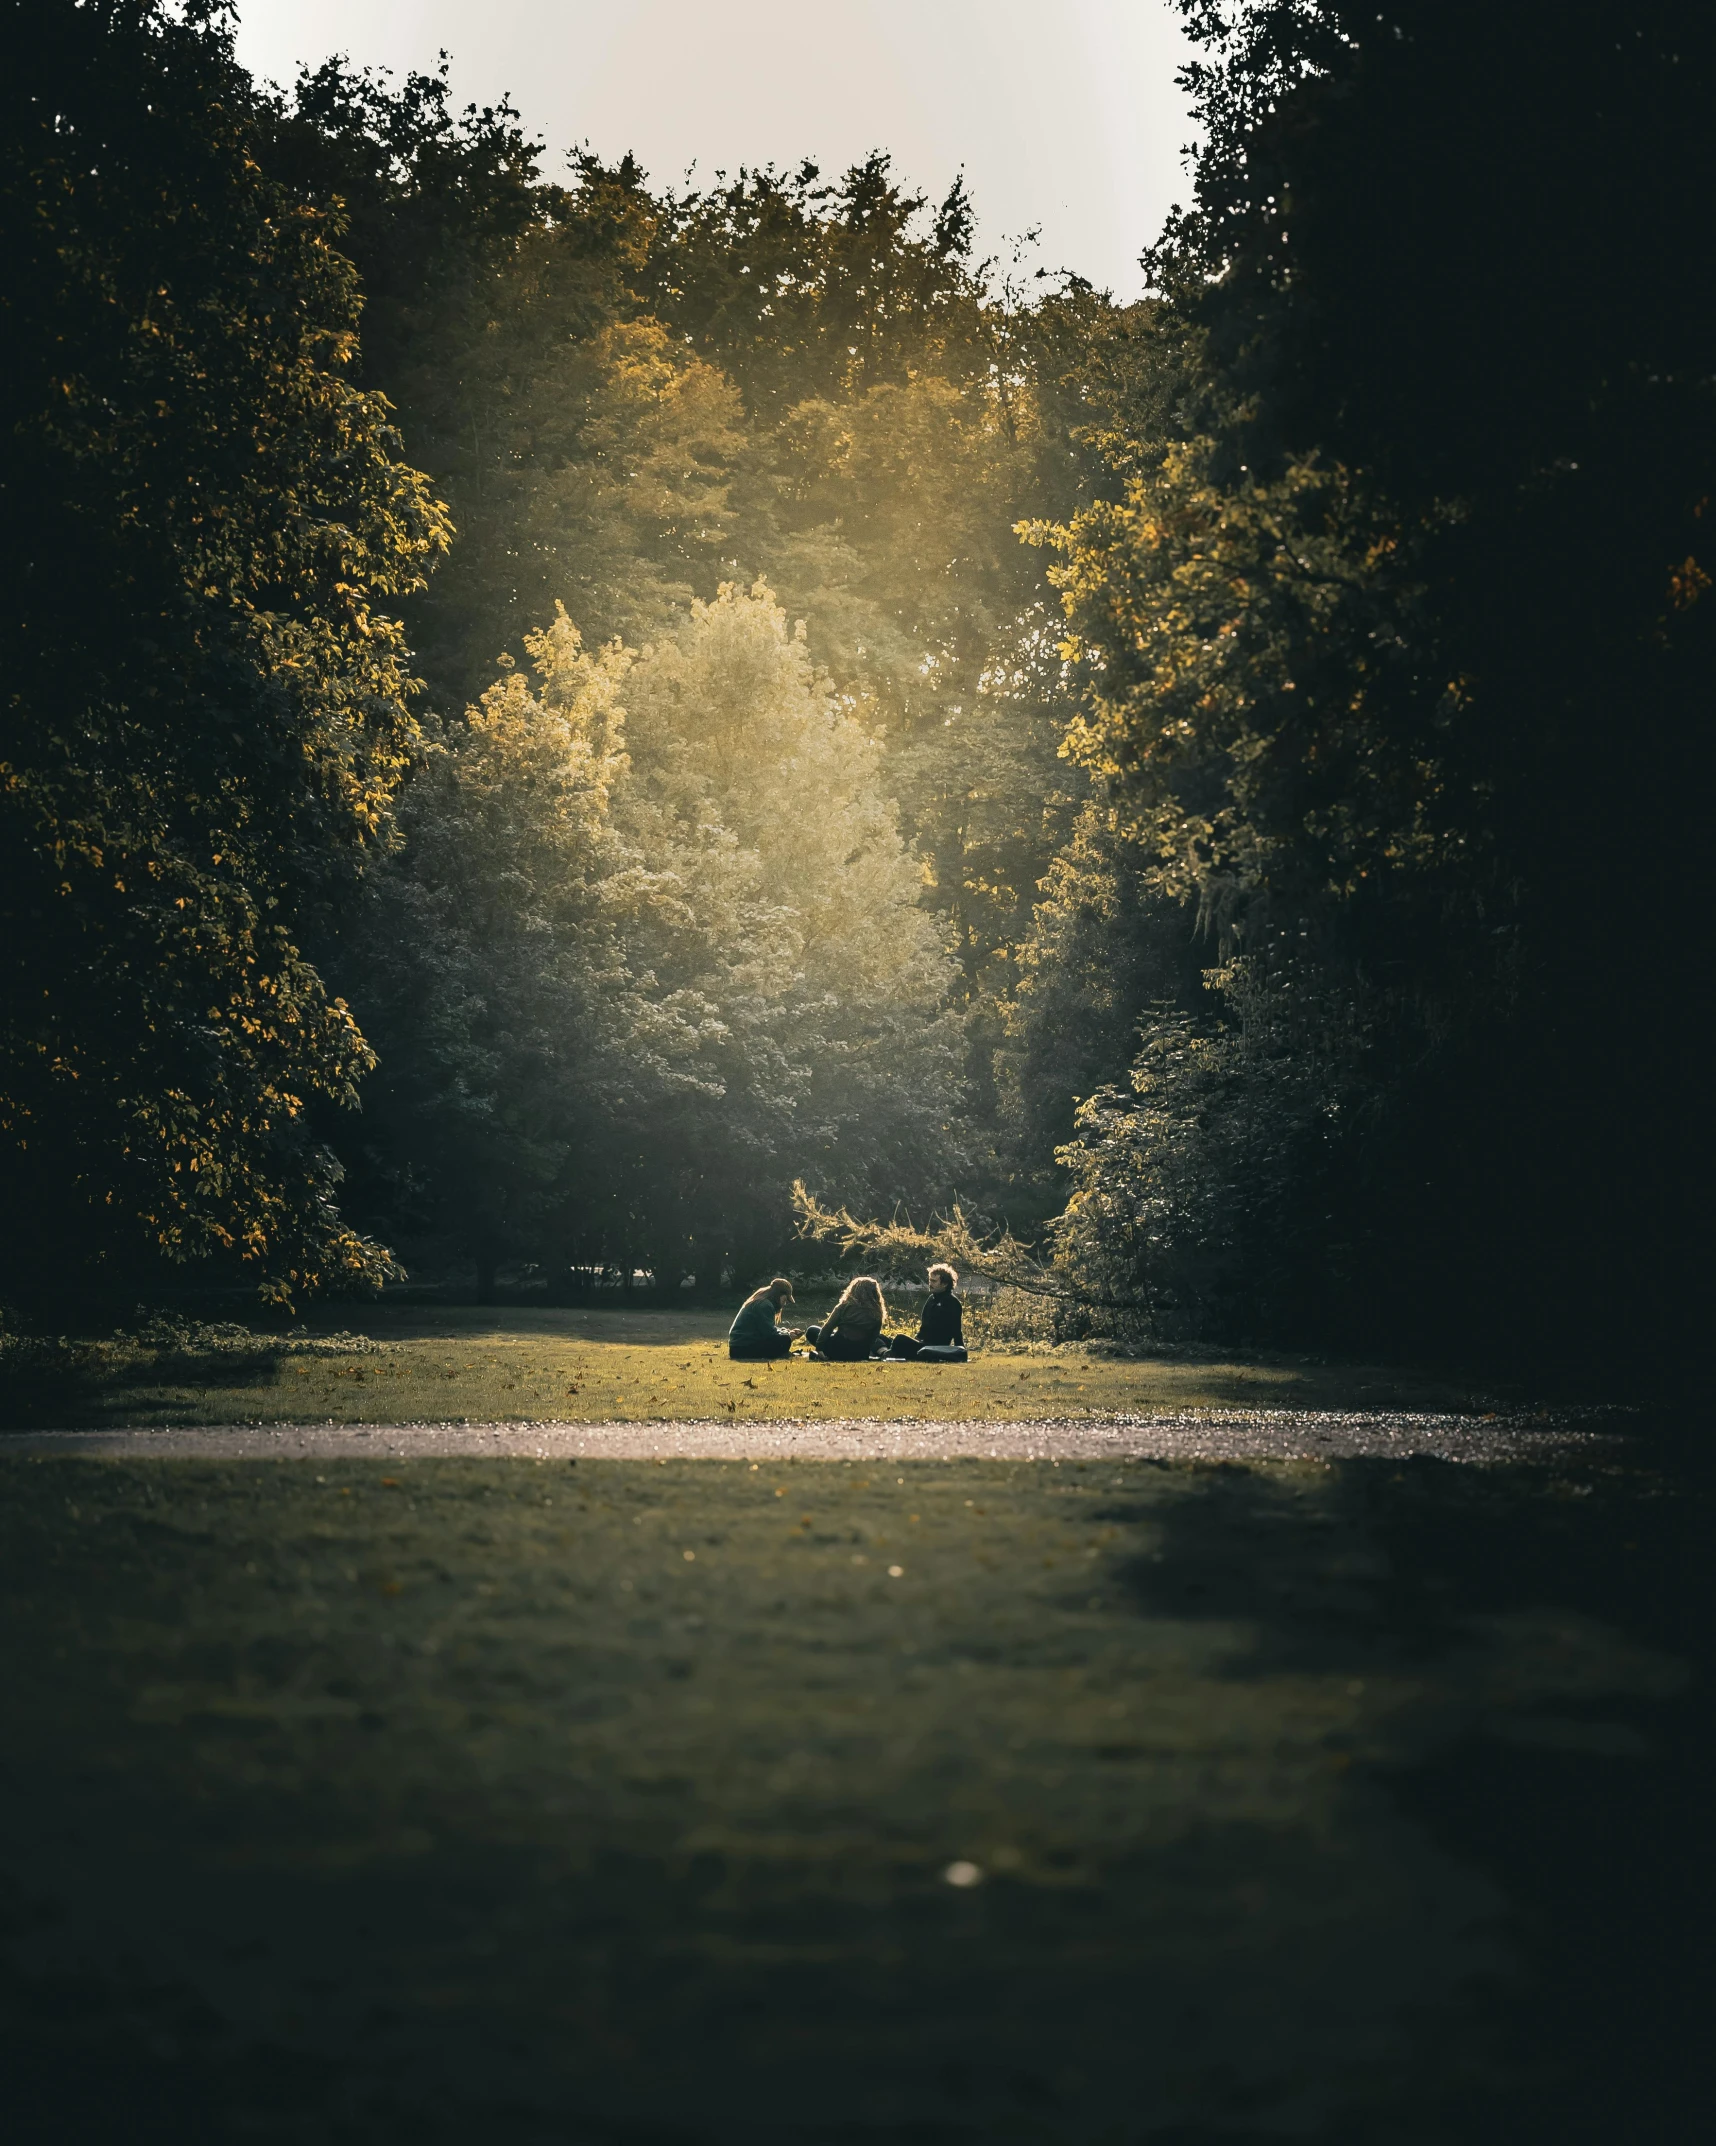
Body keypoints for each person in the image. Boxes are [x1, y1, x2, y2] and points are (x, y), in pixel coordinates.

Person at [888, 1263, 966, 1358]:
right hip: (922, 1343)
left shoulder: (952, 1302)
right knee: (880, 1337)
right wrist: (916, 1340)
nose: (930, 1284)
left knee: (899, 1339)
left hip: (935, 1347)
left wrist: (960, 1350)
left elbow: (957, 1330)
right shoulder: (931, 1299)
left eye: (934, 1281)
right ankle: (887, 1351)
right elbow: (924, 1327)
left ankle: (888, 1353)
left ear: (945, 1284)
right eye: (930, 1280)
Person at [805, 1275, 887, 1360]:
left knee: (812, 1330)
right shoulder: (877, 1312)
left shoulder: (844, 1306)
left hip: (836, 1349)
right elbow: (873, 1337)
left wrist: (819, 1348)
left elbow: (827, 1328)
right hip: (860, 1354)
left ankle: (823, 1355)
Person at [728, 1276, 800, 1360]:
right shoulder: (765, 1305)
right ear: (780, 1295)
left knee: (784, 1338)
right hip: (744, 1348)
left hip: (738, 1347)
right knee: (784, 1340)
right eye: (786, 1299)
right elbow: (769, 1334)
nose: (785, 1304)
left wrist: (786, 1331)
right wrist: (789, 1337)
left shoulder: (761, 1301)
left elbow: (767, 1328)